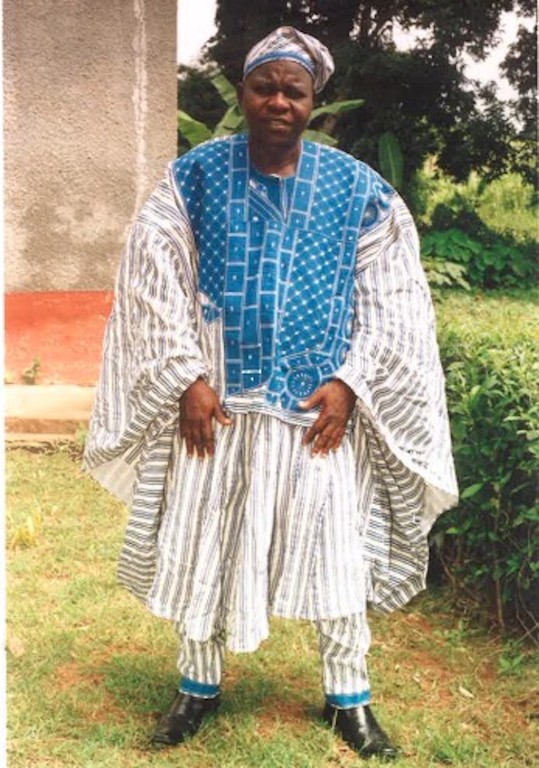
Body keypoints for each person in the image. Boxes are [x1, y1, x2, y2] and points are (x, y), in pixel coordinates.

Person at [84, 26, 458, 760]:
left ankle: (349, 699)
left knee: (335, 550)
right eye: (265, 87)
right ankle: (196, 687)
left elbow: (393, 300)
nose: (278, 101)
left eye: (294, 91)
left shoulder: (359, 191)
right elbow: (153, 277)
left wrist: (351, 383)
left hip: (316, 413)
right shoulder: (193, 178)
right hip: (217, 408)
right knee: (205, 541)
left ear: (313, 102)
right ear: (244, 92)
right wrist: (185, 376)